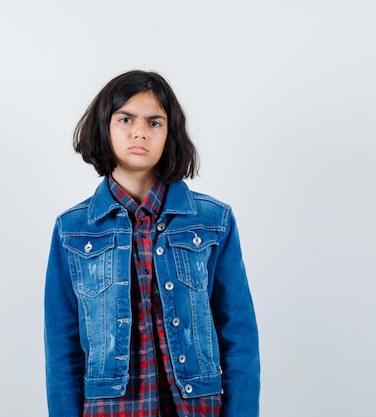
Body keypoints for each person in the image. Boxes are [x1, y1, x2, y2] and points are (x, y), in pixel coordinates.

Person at [44, 70, 260, 417]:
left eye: (155, 122)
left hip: (197, 408)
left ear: (170, 133)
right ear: (105, 126)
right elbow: (62, 347)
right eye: (126, 119)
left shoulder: (213, 221)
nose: (140, 131)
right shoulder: (73, 230)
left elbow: (239, 335)